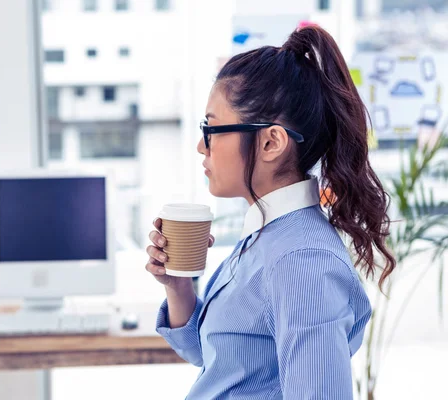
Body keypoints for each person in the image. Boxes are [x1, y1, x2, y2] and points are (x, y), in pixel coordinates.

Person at [145, 26, 396, 399]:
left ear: (270, 142)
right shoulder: (267, 236)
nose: (202, 146)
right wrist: (178, 286)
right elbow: (219, 361)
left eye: (211, 129)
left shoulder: (301, 261)